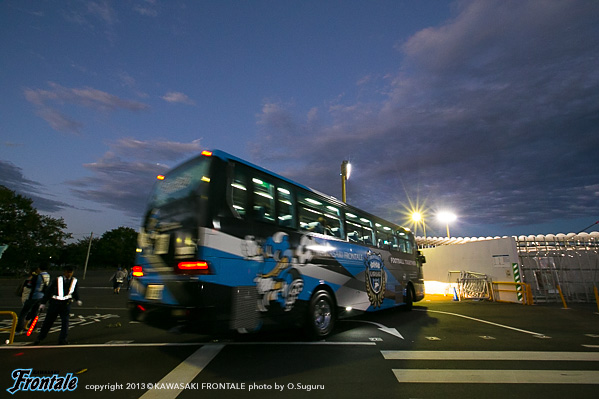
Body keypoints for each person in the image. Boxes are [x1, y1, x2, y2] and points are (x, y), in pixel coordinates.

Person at [33, 265, 82, 345]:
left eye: (71, 272)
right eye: (68, 272)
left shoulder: (74, 281)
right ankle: (40, 338)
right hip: (55, 303)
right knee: (48, 322)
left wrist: (77, 299)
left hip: (66, 304)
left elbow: (75, 291)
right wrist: (43, 303)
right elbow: (49, 291)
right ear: (64, 272)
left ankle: (63, 339)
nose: (69, 274)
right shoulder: (57, 280)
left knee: (65, 322)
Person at [16, 265, 50, 333]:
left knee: (23, 313)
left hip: (34, 296)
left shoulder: (38, 276)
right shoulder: (47, 275)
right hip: (41, 296)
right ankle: (33, 327)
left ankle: (19, 329)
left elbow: (30, 285)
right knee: (34, 313)